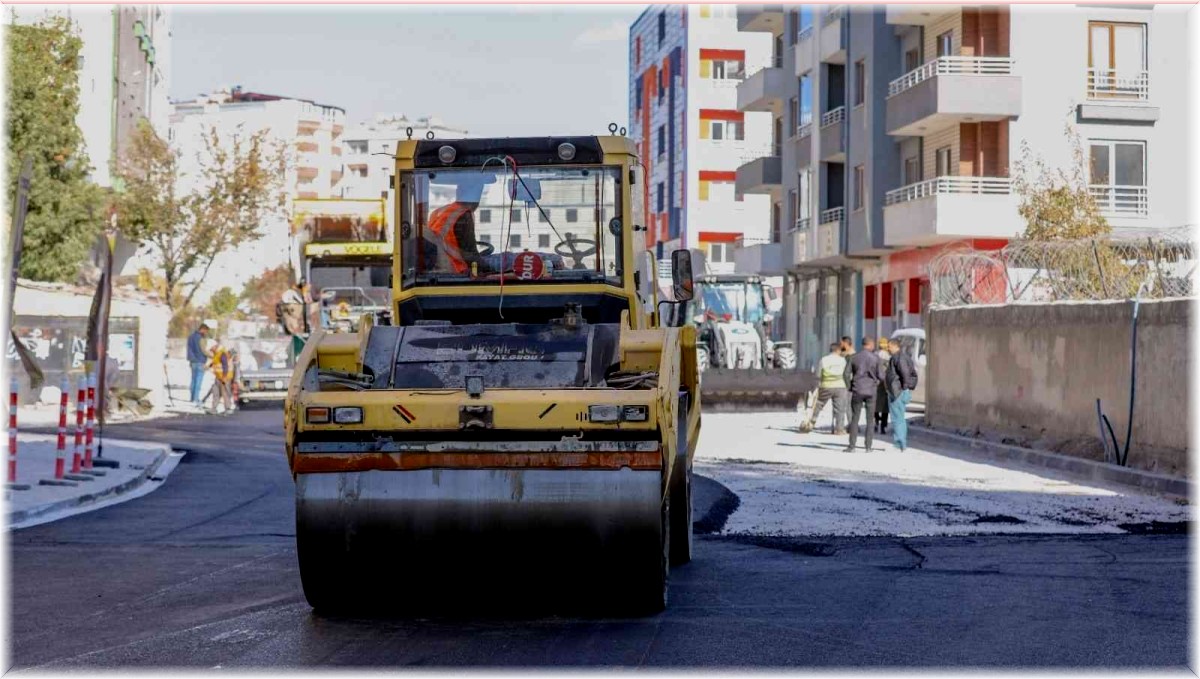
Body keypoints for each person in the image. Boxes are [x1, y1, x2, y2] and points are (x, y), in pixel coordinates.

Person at [425, 175, 489, 275]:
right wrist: (490, 269)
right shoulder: (464, 215)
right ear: (476, 195)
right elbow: (471, 255)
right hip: (456, 272)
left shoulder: (438, 212)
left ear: (458, 191)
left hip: (437, 268)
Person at [844, 337, 884, 453]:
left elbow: (846, 374)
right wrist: (876, 382)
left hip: (857, 389)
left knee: (855, 418)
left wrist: (849, 386)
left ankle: (852, 446)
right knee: (870, 420)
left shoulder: (853, 358)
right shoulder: (876, 359)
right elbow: (881, 376)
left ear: (862, 345)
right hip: (871, 391)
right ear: (871, 345)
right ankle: (868, 447)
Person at [800, 343, 848, 434]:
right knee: (839, 408)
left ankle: (811, 422)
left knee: (818, 404)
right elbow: (847, 374)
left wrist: (817, 386)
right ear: (838, 350)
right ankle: (839, 429)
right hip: (840, 386)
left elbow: (818, 374)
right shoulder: (843, 360)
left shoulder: (824, 360)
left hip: (826, 386)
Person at [886, 337, 919, 452]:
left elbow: (905, 374)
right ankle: (901, 442)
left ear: (895, 346)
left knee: (897, 418)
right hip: (899, 390)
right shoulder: (903, 357)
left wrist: (903, 388)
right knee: (899, 417)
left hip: (898, 391)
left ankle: (899, 443)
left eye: (889, 346)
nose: (887, 349)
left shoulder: (898, 357)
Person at [186, 321, 211, 406]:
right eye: (206, 331)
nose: (206, 333)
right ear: (203, 329)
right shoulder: (201, 338)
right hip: (200, 361)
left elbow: (189, 349)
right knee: (198, 381)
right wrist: (212, 355)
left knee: (193, 380)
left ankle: (192, 398)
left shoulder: (190, 337)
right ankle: (196, 399)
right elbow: (203, 350)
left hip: (192, 361)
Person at [209, 340, 235, 415]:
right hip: (218, 376)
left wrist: (224, 377)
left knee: (225, 393)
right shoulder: (217, 353)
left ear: (214, 346)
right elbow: (216, 362)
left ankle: (228, 408)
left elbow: (225, 366)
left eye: (211, 348)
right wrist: (210, 365)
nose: (211, 350)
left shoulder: (222, 353)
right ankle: (214, 408)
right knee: (216, 392)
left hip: (224, 377)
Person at [874, 337, 892, 434]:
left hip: (876, 383)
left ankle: (876, 422)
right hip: (885, 383)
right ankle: (883, 425)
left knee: (875, 405)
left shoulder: (875, 355)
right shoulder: (888, 357)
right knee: (885, 406)